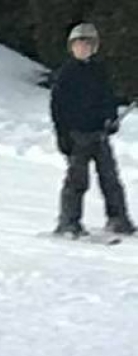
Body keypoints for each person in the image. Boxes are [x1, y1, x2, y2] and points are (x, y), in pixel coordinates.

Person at [51, 22, 135, 237]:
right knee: (77, 181)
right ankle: (69, 222)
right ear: (72, 47)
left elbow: (108, 98)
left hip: (99, 134)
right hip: (76, 136)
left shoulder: (99, 71)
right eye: (79, 45)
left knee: (110, 179)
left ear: (94, 47)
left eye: (88, 45)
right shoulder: (67, 74)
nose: (84, 49)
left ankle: (118, 219)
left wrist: (111, 118)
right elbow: (58, 108)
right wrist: (63, 136)